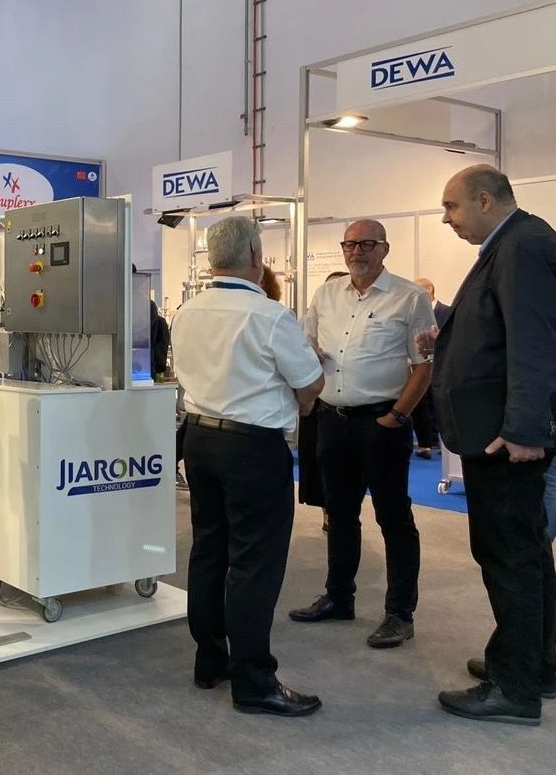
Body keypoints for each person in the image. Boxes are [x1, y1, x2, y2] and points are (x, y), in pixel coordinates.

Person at [171, 216, 325, 717]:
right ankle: (254, 681)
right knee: (255, 563)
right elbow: (310, 385)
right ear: (257, 257)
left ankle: (209, 660)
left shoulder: (187, 311)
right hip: (252, 447)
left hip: (199, 439)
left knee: (209, 552)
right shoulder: (271, 316)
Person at [428, 164, 556, 725]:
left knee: (509, 556)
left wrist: (526, 429)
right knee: (524, 551)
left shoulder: (522, 246)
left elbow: (534, 343)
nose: (446, 218)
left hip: (505, 439)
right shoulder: (513, 244)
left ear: (484, 200)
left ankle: (514, 686)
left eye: (451, 206)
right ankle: (536, 663)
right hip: (496, 431)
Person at [290, 219, 434, 650]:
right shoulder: (326, 295)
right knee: (338, 513)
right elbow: (306, 343)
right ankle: (339, 598)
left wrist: (397, 416)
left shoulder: (409, 298)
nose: (356, 252)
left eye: (367, 244)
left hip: (381, 423)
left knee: (394, 517)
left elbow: (424, 365)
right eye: (349, 244)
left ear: (384, 249)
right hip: (333, 421)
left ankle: (400, 614)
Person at [296, 271, 349, 529]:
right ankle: (328, 511)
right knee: (318, 461)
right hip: (317, 402)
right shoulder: (307, 322)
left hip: (351, 404)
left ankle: (339, 511)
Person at [409, 277, 450, 459]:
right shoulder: (413, 315)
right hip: (419, 367)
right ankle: (429, 440)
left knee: (441, 404)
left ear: (429, 290)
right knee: (422, 405)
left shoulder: (447, 312)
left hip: (442, 367)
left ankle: (445, 442)